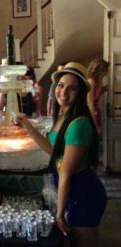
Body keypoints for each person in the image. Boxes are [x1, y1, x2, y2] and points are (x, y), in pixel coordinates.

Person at [15, 62, 107, 247]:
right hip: (71, 190)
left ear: (80, 93)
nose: (64, 92)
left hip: (84, 193)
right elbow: (53, 150)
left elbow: (65, 172)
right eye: (61, 85)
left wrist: (59, 214)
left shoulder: (78, 124)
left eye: (72, 88)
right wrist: (29, 128)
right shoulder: (63, 116)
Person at [87, 58, 109, 136]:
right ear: (100, 70)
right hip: (92, 117)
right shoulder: (91, 82)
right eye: (105, 70)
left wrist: (103, 90)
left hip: (96, 115)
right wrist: (95, 126)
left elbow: (94, 96)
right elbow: (90, 105)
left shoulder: (94, 82)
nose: (106, 73)